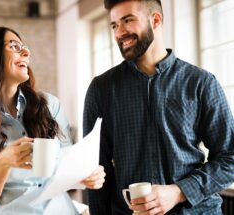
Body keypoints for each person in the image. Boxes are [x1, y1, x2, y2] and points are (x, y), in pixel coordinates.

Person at [83, 0, 234, 214]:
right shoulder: (101, 89)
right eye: (114, 25)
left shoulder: (201, 83)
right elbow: (96, 168)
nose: (119, 33)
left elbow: (230, 157)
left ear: (155, 20)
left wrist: (179, 191)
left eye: (128, 21)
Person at [0, 26, 105, 214]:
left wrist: (87, 175)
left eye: (24, 47)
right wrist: (3, 163)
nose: (26, 52)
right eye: (14, 46)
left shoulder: (50, 105)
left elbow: (67, 164)